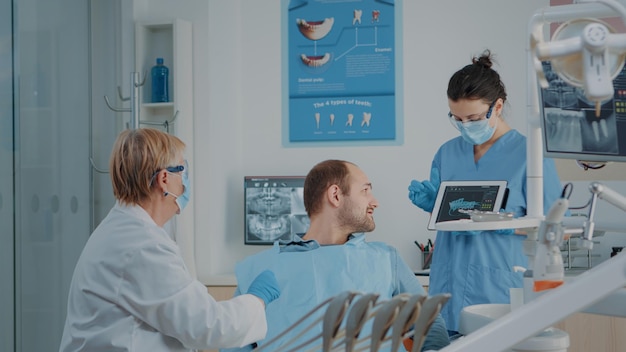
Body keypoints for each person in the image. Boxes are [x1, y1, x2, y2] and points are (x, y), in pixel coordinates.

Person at [59, 128, 280, 352]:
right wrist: (257, 299)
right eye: (183, 170)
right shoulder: (142, 245)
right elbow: (208, 326)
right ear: (164, 178)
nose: (186, 182)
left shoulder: (125, 230)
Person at [407, 50, 566, 336]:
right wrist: (435, 206)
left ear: (498, 106)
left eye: (474, 117)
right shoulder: (447, 154)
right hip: (447, 291)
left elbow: (557, 231)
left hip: (500, 293)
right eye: (456, 118)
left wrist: (501, 226)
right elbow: (451, 217)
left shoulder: (530, 156)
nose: (465, 126)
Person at [223, 159, 450, 352]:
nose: (375, 201)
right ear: (335, 195)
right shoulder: (261, 270)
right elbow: (233, 344)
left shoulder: (386, 259)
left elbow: (432, 330)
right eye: (365, 190)